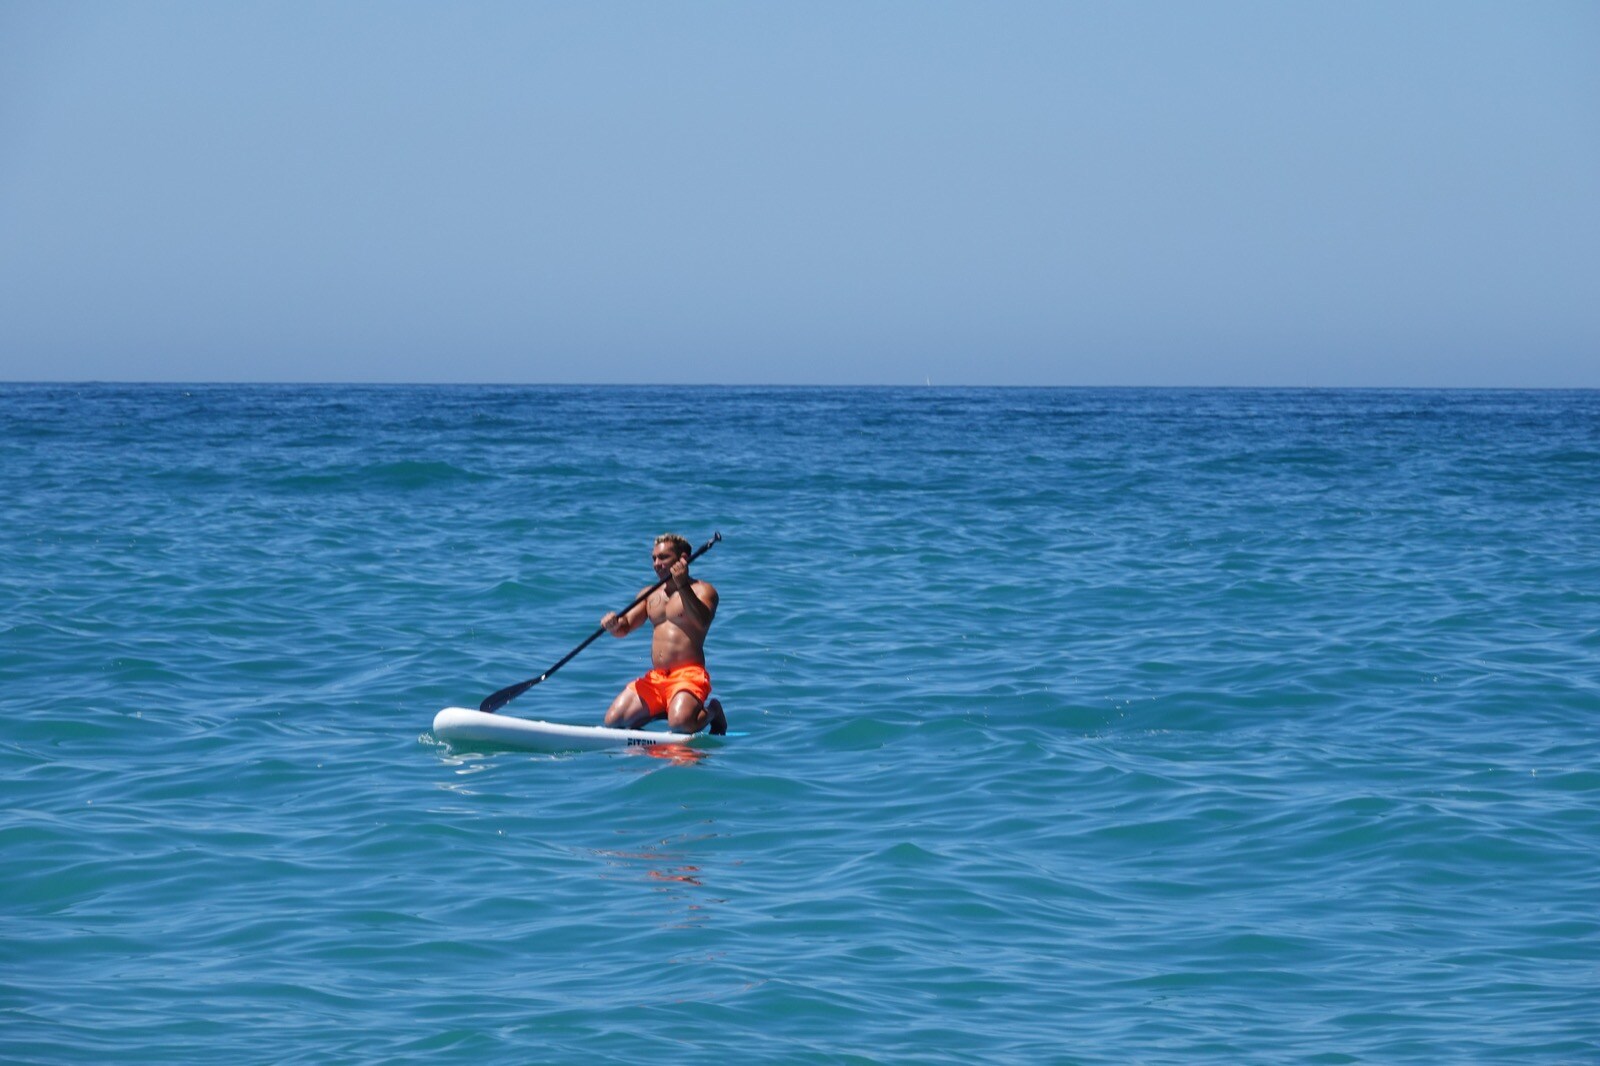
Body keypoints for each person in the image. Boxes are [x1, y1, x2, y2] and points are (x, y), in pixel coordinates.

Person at [600, 533, 726, 735]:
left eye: (663, 558)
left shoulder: (704, 590)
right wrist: (614, 625)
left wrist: (682, 584)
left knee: (680, 726)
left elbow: (702, 622)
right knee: (614, 722)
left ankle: (713, 712)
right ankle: (667, 708)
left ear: (683, 558)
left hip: (688, 675)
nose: (657, 564)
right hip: (657, 678)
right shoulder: (649, 594)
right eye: (654, 559)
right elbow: (625, 627)